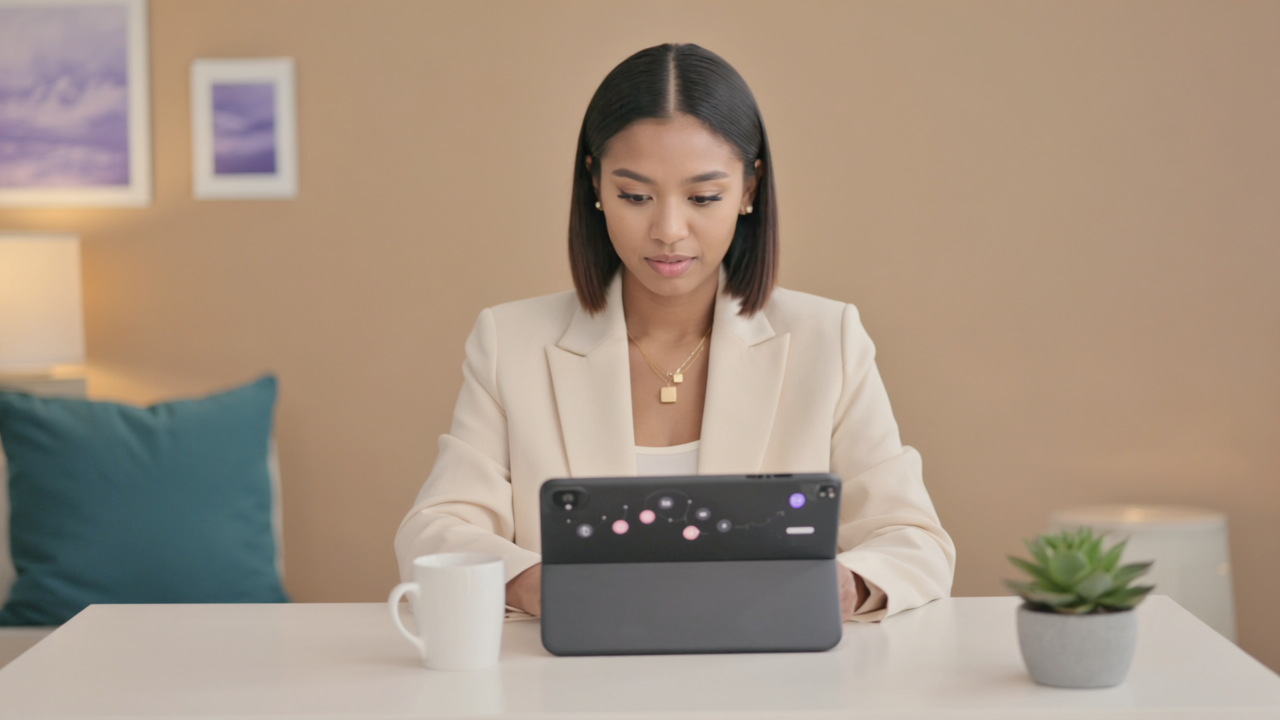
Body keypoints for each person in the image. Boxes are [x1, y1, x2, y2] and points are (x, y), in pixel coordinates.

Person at [395, 43, 955, 623]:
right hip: (576, 670)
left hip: (769, 670)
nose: (668, 230)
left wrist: (845, 585)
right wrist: (539, 586)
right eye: (635, 196)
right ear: (595, 185)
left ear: (750, 189)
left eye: (703, 197)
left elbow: (915, 541)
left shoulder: (827, 339)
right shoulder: (510, 342)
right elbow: (434, 530)